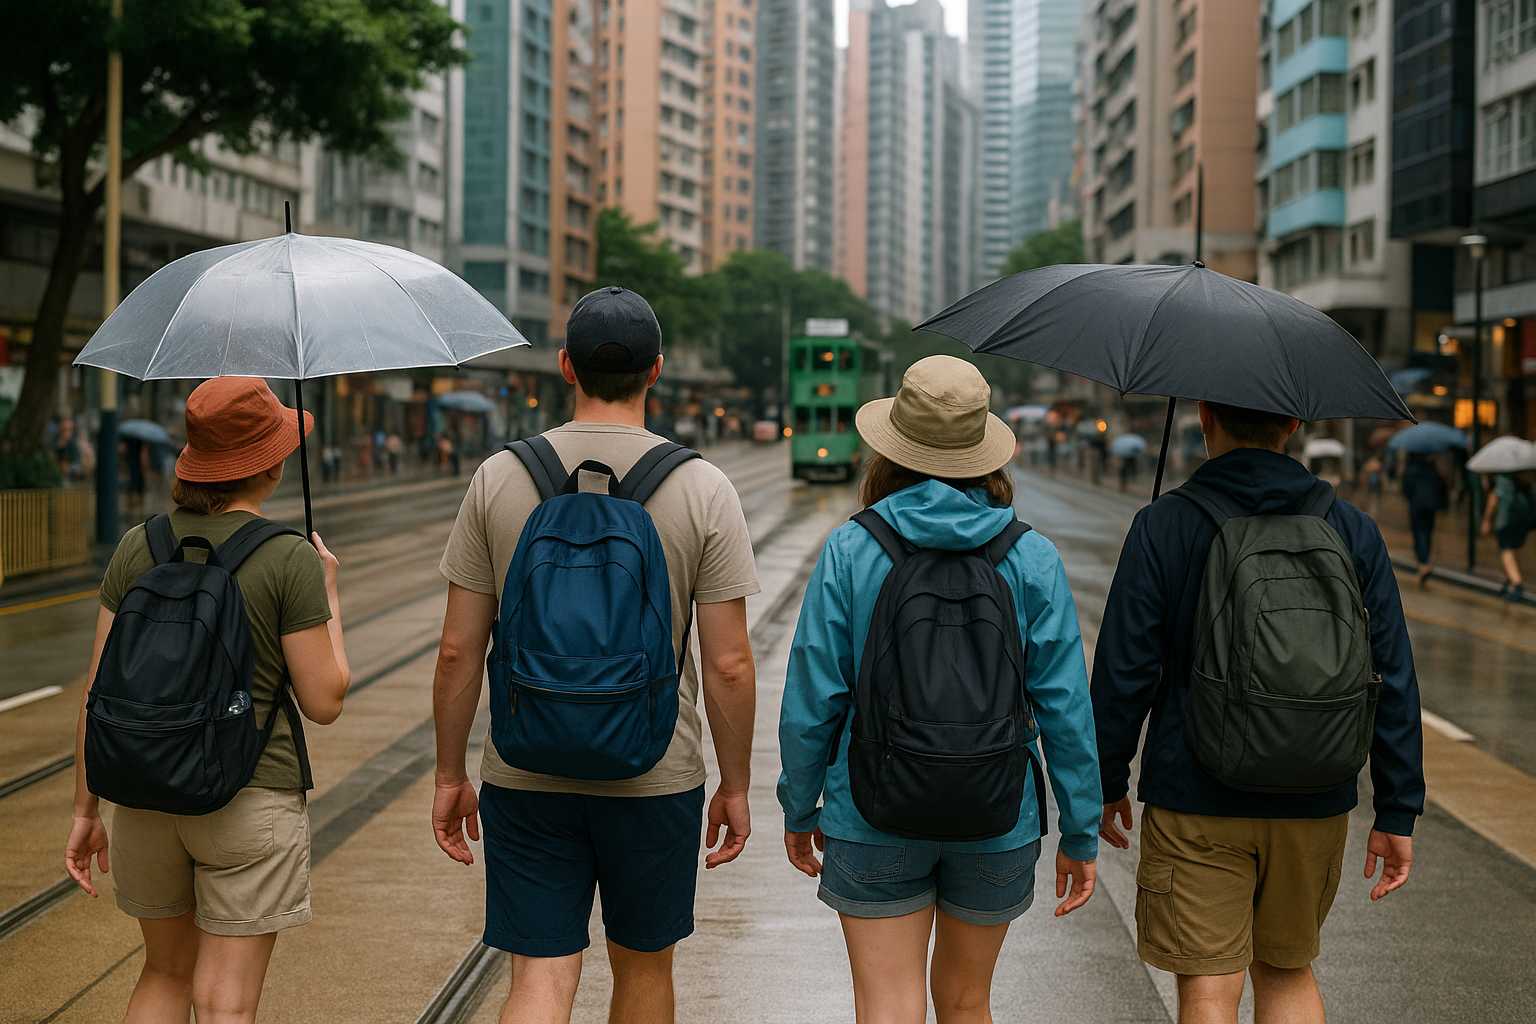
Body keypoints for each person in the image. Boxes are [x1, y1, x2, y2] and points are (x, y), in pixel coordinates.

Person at [431, 286, 760, 1024]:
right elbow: (730, 664)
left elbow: (458, 649)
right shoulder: (703, 486)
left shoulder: (500, 476)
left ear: (565, 366)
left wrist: (450, 772)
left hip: (525, 769)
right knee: (643, 973)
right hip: (656, 773)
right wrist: (734, 786)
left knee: (539, 981)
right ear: (658, 371)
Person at [778, 356, 1101, 1024]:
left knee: (888, 1005)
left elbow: (814, 696)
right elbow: (1066, 706)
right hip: (997, 813)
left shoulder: (852, 547)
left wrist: (800, 804)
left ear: (894, 446)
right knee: (965, 1001)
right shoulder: (1029, 554)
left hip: (870, 809)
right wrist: (1080, 828)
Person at [1092, 401, 1424, 1024]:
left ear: (1204, 417)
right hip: (1315, 794)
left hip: (1195, 795)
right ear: (1294, 425)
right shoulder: (1352, 527)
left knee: (1210, 987)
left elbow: (1123, 671)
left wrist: (1106, 782)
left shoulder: (1166, 524)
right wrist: (1398, 806)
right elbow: (1393, 676)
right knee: (1288, 971)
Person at [63, 377, 352, 1024]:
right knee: (226, 1006)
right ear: (270, 465)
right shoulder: (287, 558)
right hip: (249, 795)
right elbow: (325, 699)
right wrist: (329, 595)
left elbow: (96, 689)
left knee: (163, 975)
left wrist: (86, 810)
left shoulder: (139, 545)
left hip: (143, 796)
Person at [1482, 469, 1534, 602]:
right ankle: (1510, 580)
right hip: (1524, 517)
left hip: (1506, 518)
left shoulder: (1503, 478)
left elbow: (1493, 499)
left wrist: (1487, 520)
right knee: (1513, 548)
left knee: (1506, 550)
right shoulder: (1527, 474)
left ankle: (1517, 584)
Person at [1401, 450, 1448, 586]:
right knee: (1427, 532)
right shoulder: (1433, 469)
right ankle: (1425, 560)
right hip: (1430, 506)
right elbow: (1440, 487)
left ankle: (1423, 563)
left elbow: (1406, 488)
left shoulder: (1411, 469)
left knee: (1419, 533)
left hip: (1417, 505)